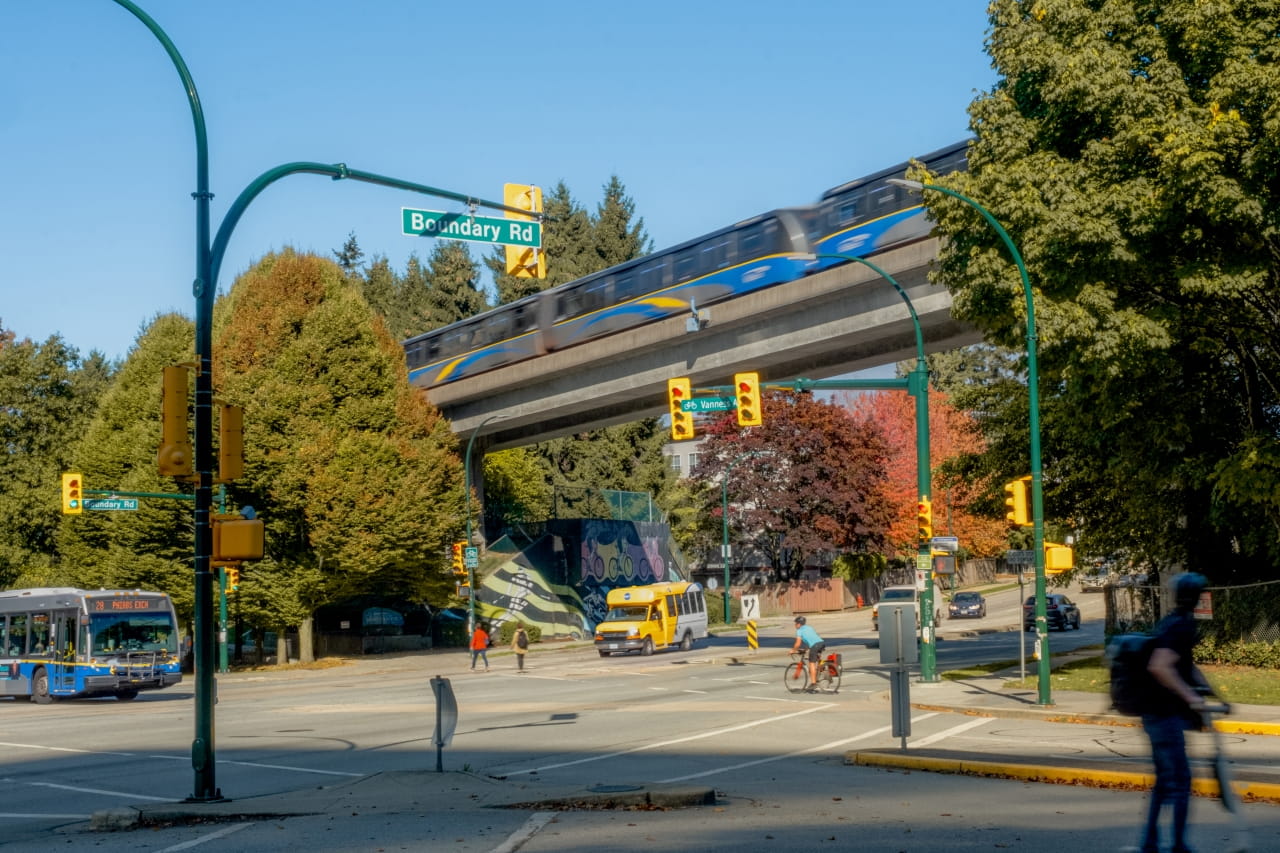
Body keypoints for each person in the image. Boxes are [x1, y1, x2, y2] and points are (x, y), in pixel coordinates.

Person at [1130, 572, 1215, 853]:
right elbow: (1160, 665)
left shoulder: (1175, 622)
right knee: (1180, 781)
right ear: (1193, 596)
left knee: (1166, 780)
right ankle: (1177, 845)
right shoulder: (1180, 625)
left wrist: (1211, 693)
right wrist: (1193, 698)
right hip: (1162, 715)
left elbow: (1184, 665)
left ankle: (1151, 843)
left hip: (1156, 714)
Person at [789, 615, 826, 691]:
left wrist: (793, 650)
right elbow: (812, 639)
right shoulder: (809, 627)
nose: (795, 625)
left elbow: (797, 644)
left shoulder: (799, 631)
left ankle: (813, 683)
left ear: (799, 624)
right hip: (821, 643)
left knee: (811, 663)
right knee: (816, 658)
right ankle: (823, 671)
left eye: (795, 623)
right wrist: (806, 649)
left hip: (815, 646)